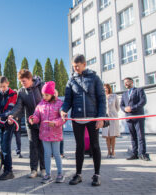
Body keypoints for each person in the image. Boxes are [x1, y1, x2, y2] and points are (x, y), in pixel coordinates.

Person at [60, 54, 106, 186]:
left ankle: (97, 175)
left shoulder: (95, 78)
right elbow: (68, 100)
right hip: (77, 119)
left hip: (93, 118)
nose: (75, 69)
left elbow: (102, 99)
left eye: (77, 66)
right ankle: (78, 174)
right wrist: (63, 109)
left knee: (95, 146)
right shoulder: (71, 80)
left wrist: (101, 117)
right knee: (79, 146)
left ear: (84, 64)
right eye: (73, 67)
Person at [8, 69, 46, 178]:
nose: (22, 83)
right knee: (32, 145)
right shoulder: (21, 92)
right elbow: (18, 107)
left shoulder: (41, 86)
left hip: (43, 122)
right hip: (31, 122)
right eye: (20, 81)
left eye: (23, 81)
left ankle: (43, 169)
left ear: (30, 79)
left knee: (42, 145)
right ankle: (33, 169)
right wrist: (12, 115)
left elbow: (48, 100)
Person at [29, 81, 66, 184]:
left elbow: (63, 118)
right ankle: (48, 174)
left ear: (52, 94)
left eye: (46, 95)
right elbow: (36, 115)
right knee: (47, 154)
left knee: (57, 154)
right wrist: (33, 119)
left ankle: (60, 174)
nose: (44, 97)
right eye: (43, 94)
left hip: (55, 134)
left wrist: (55, 123)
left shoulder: (59, 104)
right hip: (44, 134)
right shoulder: (40, 104)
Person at [0, 76, 17, 180]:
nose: (2, 89)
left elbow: (11, 109)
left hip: (9, 123)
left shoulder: (13, 94)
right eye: (0, 87)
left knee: (6, 146)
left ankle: (9, 171)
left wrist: (0, 117)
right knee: (2, 145)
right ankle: (5, 168)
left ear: (8, 84)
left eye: (4, 86)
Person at [120, 77, 150, 161]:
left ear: (132, 82)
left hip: (138, 117)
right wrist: (124, 109)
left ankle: (142, 153)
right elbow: (121, 105)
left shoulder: (139, 90)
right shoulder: (124, 94)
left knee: (140, 136)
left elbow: (143, 101)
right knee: (133, 137)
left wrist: (132, 108)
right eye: (124, 83)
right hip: (129, 118)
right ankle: (134, 153)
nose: (125, 84)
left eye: (127, 82)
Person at [102, 84, 120, 158]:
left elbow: (117, 107)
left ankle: (113, 151)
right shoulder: (102, 97)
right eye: (103, 88)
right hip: (105, 118)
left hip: (113, 117)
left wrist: (113, 113)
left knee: (113, 135)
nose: (105, 89)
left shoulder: (114, 96)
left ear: (109, 88)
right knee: (107, 136)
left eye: (106, 88)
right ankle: (108, 152)